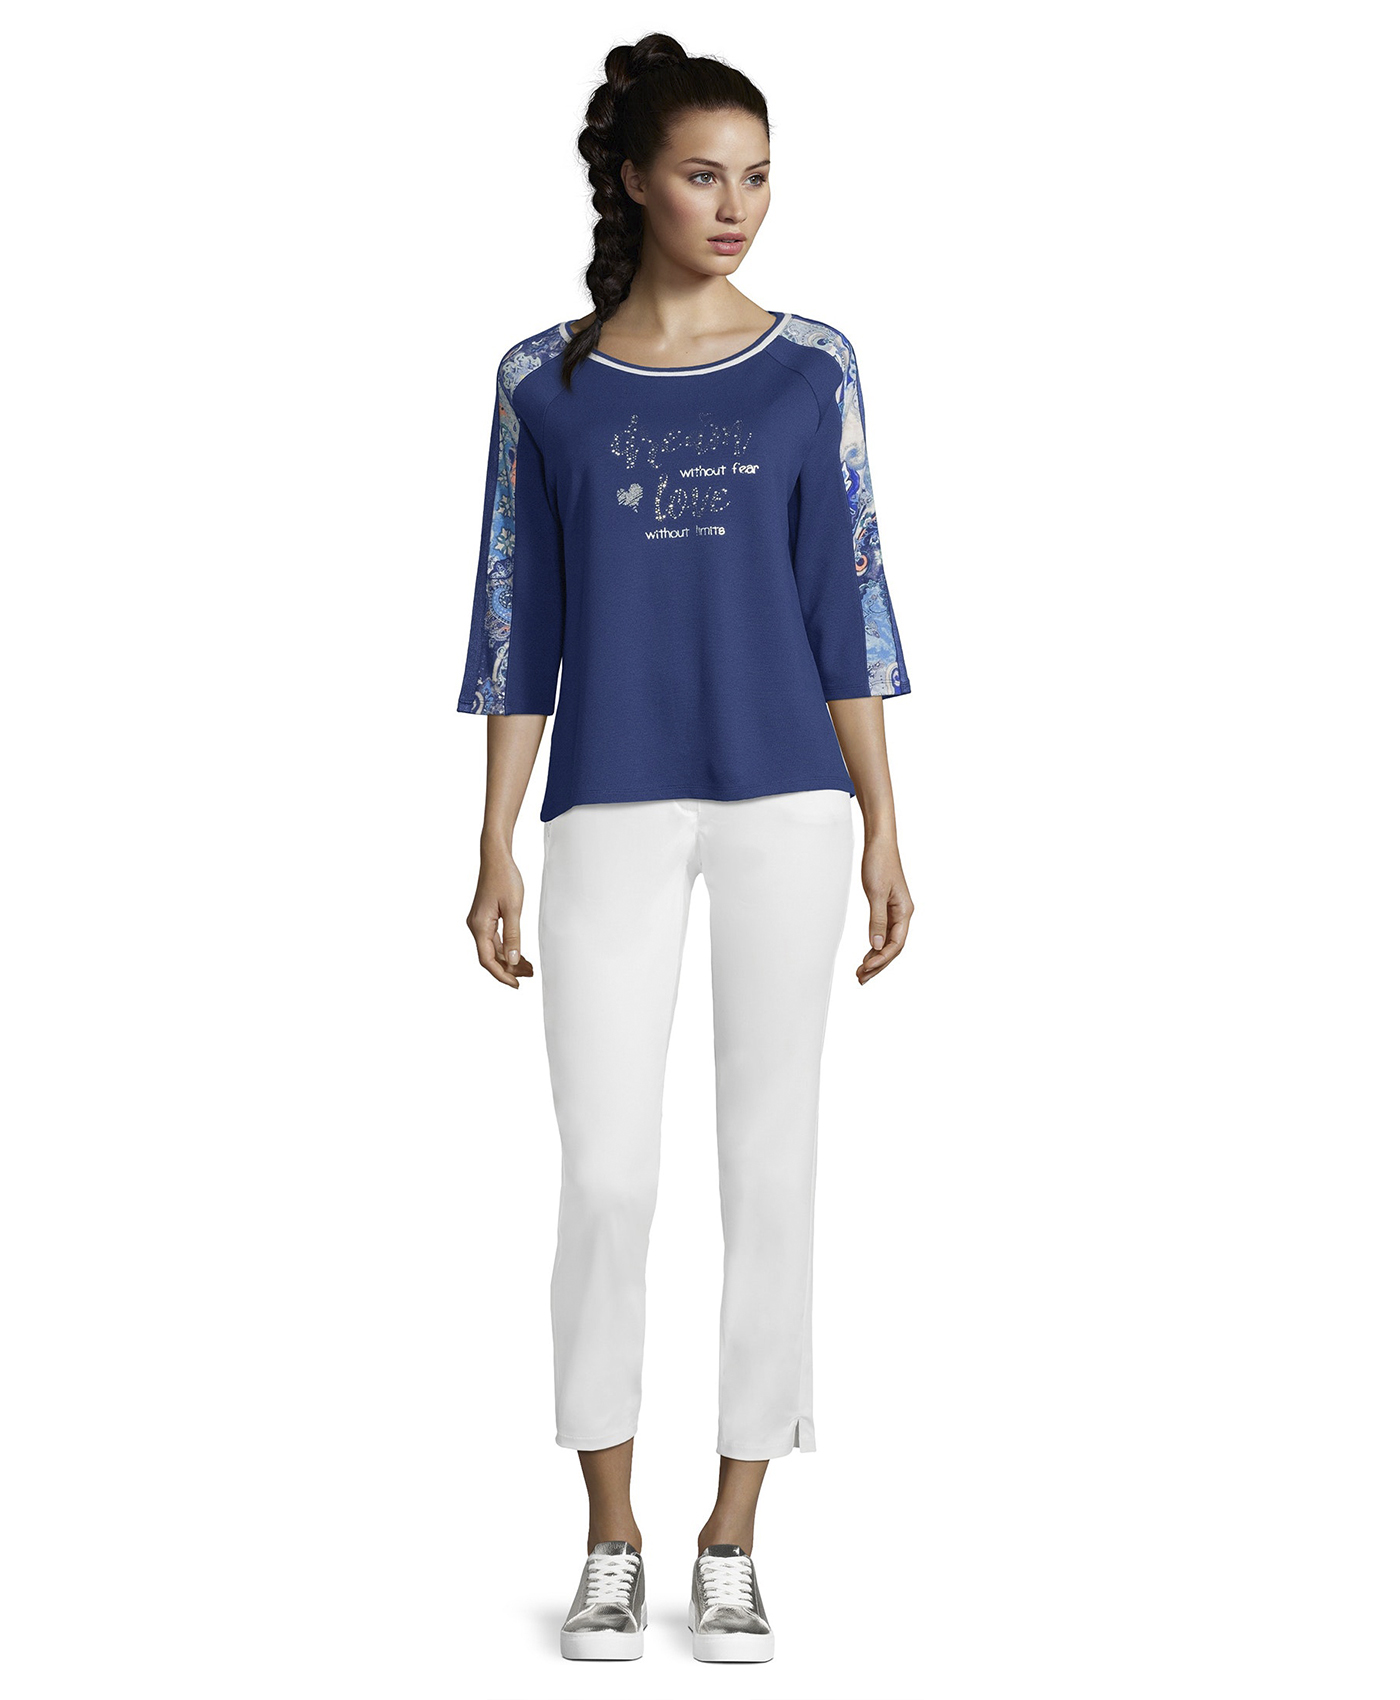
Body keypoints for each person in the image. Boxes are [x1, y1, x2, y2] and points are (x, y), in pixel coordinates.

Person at [457, 33, 914, 1665]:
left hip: (789, 798)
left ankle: (733, 1533)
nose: (738, 207)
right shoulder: (544, 381)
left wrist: (885, 821)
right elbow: (518, 619)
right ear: (636, 181)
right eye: (706, 175)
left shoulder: (811, 370)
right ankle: (609, 1532)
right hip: (611, 798)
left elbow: (847, 598)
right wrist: (495, 840)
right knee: (607, 1172)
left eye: (760, 177)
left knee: (770, 1163)